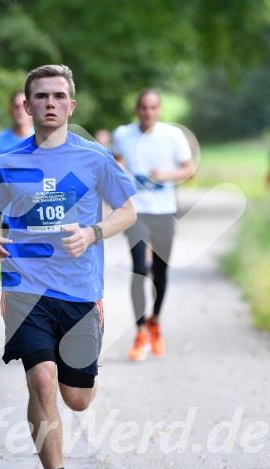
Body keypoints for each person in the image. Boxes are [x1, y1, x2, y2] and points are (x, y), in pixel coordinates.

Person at [0, 64, 136, 469]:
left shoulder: (94, 158)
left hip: (80, 291)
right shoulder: (8, 161)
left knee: (76, 398)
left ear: (71, 104)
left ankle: (49, 390)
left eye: (57, 96)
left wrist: (92, 233)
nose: (49, 103)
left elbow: (128, 212)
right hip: (26, 287)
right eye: (41, 97)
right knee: (42, 378)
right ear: (27, 106)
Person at [112, 89, 195, 361]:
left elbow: (189, 169)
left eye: (153, 108)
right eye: (143, 107)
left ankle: (155, 322)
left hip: (164, 212)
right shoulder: (123, 134)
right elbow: (114, 163)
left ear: (159, 111)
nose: (148, 112)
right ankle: (139, 333)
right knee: (138, 270)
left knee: (161, 271)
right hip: (135, 213)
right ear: (137, 109)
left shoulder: (173, 136)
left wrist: (166, 175)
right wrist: (122, 174)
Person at [0, 89, 33, 187]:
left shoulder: (44, 139)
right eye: (16, 107)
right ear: (10, 110)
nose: (21, 111)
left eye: (25, 106)